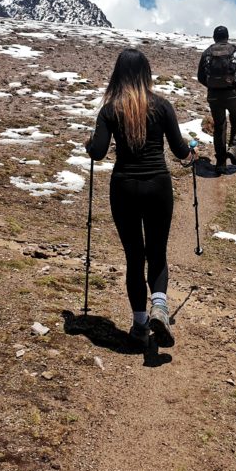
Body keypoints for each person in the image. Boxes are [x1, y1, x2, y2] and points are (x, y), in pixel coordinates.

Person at [86, 48, 196, 347]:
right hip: (157, 185)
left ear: (118, 74)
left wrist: (88, 143)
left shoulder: (110, 109)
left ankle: (138, 325)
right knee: (157, 253)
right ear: (146, 73)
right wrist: (191, 150)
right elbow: (179, 150)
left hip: (123, 187)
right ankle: (159, 305)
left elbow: (97, 152)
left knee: (134, 257)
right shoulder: (161, 106)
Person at [197, 26, 236, 173]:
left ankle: (221, 162)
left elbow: (200, 77)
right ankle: (233, 148)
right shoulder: (235, 50)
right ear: (227, 37)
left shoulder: (207, 52)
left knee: (219, 126)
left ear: (214, 37)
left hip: (214, 95)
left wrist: (211, 86)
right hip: (233, 93)